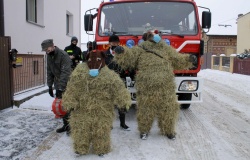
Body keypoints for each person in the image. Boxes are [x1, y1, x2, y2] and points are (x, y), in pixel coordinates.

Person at [113, 31, 197, 140]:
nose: (155, 37)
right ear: (147, 38)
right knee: (146, 109)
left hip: (166, 86)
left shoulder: (166, 49)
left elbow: (177, 59)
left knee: (168, 109)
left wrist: (188, 59)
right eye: (152, 35)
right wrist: (121, 52)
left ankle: (169, 131)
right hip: (147, 86)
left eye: (157, 35)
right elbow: (129, 57)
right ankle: (144, 131)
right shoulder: (141, 48)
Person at [62, 50, 131, 156]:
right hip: (82, 109)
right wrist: (69, 102)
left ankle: (101, 148)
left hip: (102, 109)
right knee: (81, 129)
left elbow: (119, 88)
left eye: (98, 60)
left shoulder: (109, 75)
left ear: (102, 60)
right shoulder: (79, 73)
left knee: (101, 129)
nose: (93, 63)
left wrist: (123, 102)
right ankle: (81, 147)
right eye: (90, 60)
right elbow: (72, 88)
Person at [41, 39, 72, 134]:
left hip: (68, 83)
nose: (47, 51)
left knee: (69, 105)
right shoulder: (49, 56)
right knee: (61, 106)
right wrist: (50, 86)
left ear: (53, 45)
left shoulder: (63, 55)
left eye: (47, 49)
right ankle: (66, 125)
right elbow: (49, 72)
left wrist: (61, 88)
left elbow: (65, 73)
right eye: (45, 50)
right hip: (58, 83)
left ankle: (71, 126)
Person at [105, 34, 134, 131]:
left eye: (116, 42)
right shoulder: (105, 54)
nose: (115, 44)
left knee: (122, 103)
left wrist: (130, 74)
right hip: (108, 81)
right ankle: (109, 123)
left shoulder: (123, 53)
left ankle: (122, 123)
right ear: (109, 43)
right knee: (108, 103)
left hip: (121, 80)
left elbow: (129, 66)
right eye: (113, 42)